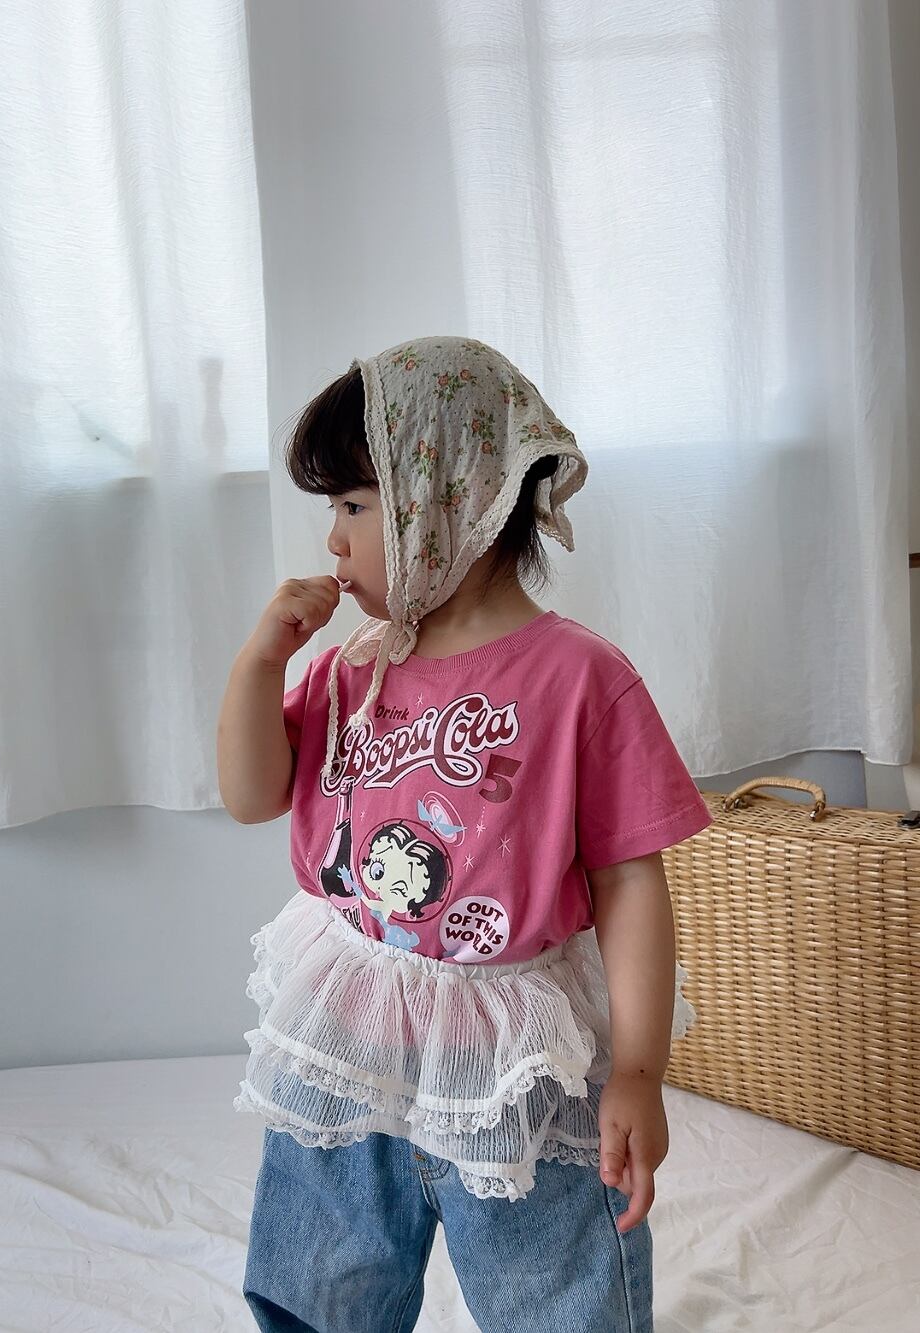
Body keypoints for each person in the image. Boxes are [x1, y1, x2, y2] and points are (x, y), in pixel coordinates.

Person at [218, 335, 713, 1332]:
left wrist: (637, 1070)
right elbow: (251, 793)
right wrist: (260, 663)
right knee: (318, 1287)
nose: (333, 540)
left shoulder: (580, 679)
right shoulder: (354, 667)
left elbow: (629, 883)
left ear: (446, 500)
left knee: (563, 1294)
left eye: (354, 505)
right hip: (352, 1035)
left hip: (512, 1065)